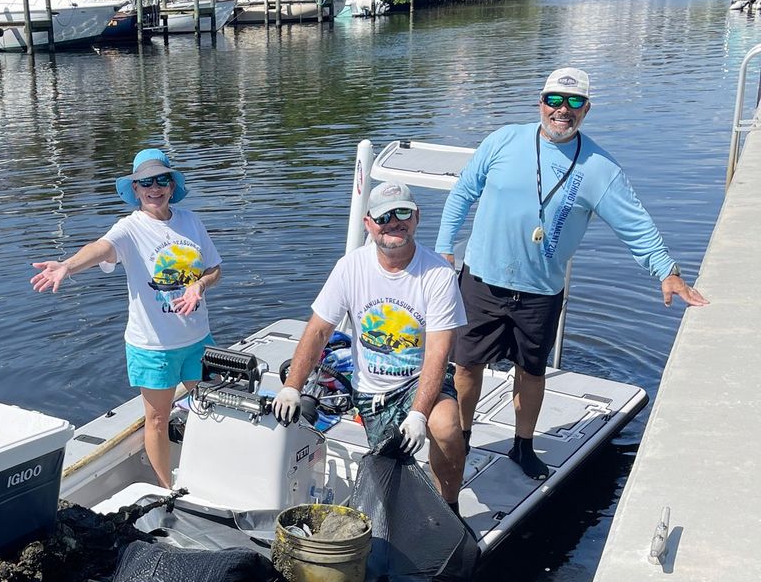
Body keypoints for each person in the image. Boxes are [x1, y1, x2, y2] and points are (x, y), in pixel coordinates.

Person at [436, 65, 708, 481]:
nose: (563, 110)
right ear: (541, 102)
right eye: (555, 100)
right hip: (481, 279)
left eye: (575, 102)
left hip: (541, 289)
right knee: (467, 366)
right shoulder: (503, 140)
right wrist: (443, 249)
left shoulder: (599, 168)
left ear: (587, 109)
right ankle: (465, 435)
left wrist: (666, 271)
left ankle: (522, 445)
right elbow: (463, 193)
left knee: (532, 370)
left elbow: (634, 224)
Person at [31, 147, 222, 488]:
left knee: (212, 410)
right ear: (135, 190)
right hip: (153, 346)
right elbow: (101, 248)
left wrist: (200, 287)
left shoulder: (190, 221)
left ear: (171, 185)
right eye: (145, 182)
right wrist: (67, 266)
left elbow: (214, 268)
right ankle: (168, 489)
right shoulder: (130, 229)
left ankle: (210, 474)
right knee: (158, 419)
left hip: (197, 340)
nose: (154, 188)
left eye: (161, 179)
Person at [274, 180, 468, 508]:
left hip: (417, 381)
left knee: (446, 427)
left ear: (417, 217)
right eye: (383, 216)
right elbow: (318, 331)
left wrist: (419, 414)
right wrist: (292, 386)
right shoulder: (350, 267)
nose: (394, 221)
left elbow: (439, 352)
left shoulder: (439, 275)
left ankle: (449, 506)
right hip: (371, 393)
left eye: (402, 212)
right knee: (388, 476)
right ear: (369, 224)